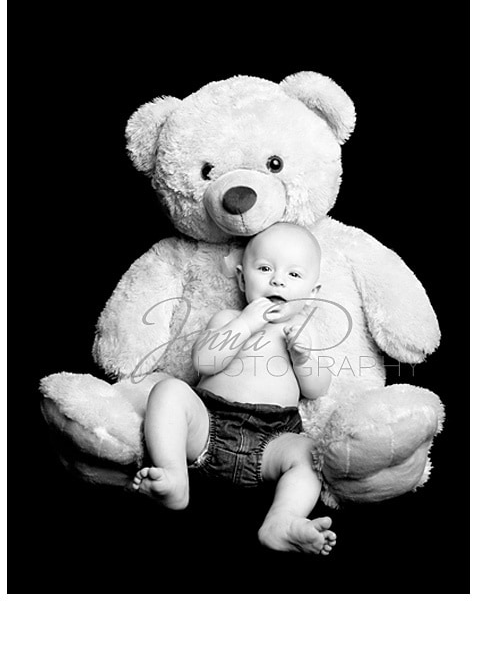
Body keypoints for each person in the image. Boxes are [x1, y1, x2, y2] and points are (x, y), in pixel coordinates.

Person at [132, 222, 336, 555]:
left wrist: (304, 357)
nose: (278, 280)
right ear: (242, 279)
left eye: (294, 275)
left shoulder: (304, 332)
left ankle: (281, 520)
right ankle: (174, 476)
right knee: (168, 391)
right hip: (208, 424)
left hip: (273, 437)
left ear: (312, 292)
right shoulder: (227, 319)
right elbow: (205, 362)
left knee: (310, 454)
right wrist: (245, 324)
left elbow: (317, 388)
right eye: (265, 269)